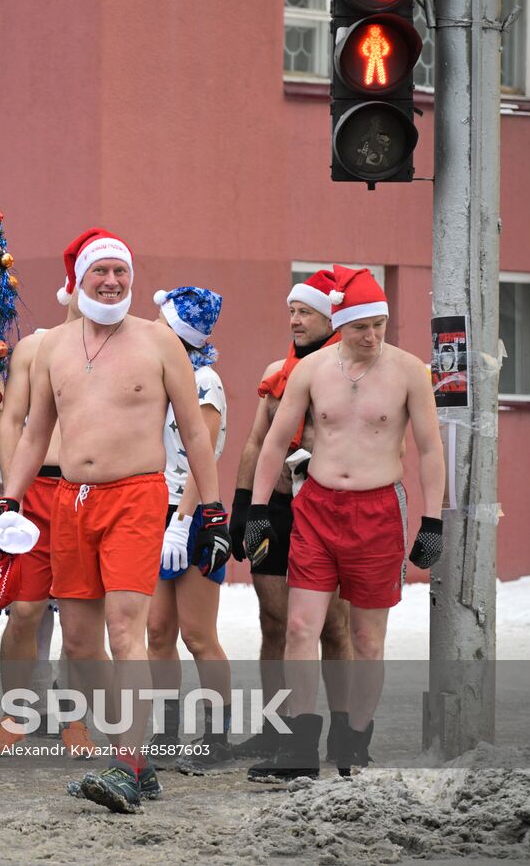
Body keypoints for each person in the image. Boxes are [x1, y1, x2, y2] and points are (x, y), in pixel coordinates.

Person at [0, 228, 230, 815]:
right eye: (101, 272)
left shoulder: (157, 342)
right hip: (70, 500)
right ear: (80, 280)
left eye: (122, 272)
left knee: (127, 628)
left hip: (137, 496)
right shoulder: (54, 347)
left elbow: (196, 431)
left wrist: (213, 508)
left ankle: (125, 762)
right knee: (80, 641)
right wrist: (11, 497)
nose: (112, 281)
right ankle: (140, 758)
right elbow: (36, 431)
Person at [244, 266, 444, 781]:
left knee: (367, 637)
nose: (372, 335)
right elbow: (272, 441)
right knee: (299, 626)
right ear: (341, 323)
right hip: (316, 507)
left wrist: (433, 521)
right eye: (361, 326)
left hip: (379, 511)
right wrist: (258, 510)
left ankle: (353, 742)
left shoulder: (407, 371)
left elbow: (429, 448)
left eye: (380, 324)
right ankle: (300, 747)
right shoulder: (312, 372)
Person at [229, 269, 354, 762]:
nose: (295, 321)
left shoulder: (350, 371)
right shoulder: (276, 371)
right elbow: (257, 442)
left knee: (332, 627)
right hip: (278, 508)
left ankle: (342, 732)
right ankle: (277, 729)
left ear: (331, 316)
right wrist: (244, 505)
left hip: (329, 509)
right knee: (273, 621)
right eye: (292, 312)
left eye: (304, 312)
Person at [0, 324, 94, 758]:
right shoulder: (36, 348)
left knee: (80, 619)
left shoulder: (123, 345)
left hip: (87, 489)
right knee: (24, 611)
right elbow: (10, 420)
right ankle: (15, 717)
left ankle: (76, 720)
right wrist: (13, 495)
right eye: (92, 273)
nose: (104, 284)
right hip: (37, 490)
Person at [142, 287, 233, 773]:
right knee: (157, 631)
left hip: (194, 512)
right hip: (152, 510)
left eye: (161, 321)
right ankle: (167, 731)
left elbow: (205, 455)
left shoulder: (206, 382)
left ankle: (217, 736)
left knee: (198, 634)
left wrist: (182, 523)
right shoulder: (160, 375)